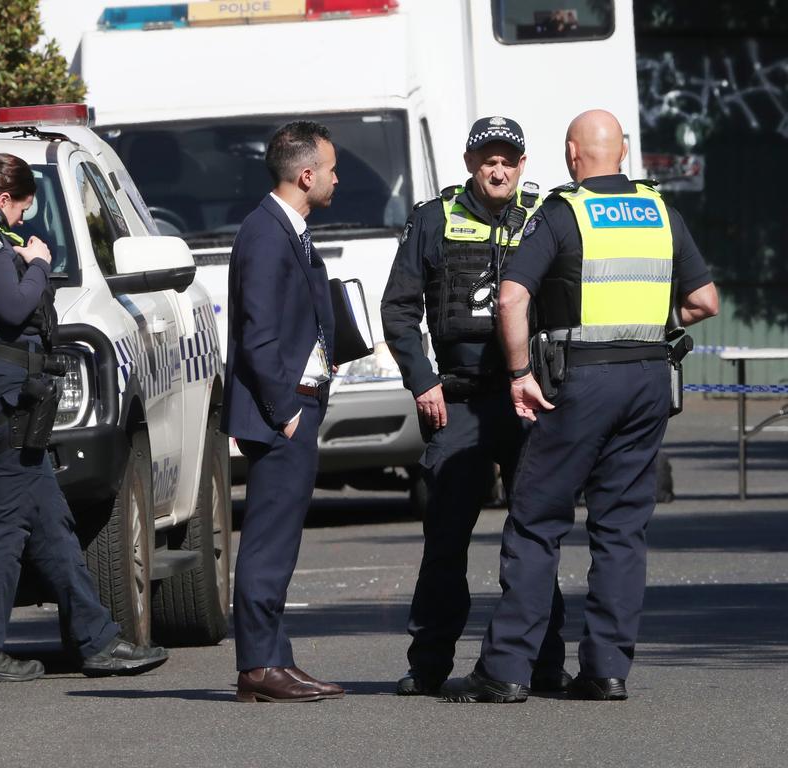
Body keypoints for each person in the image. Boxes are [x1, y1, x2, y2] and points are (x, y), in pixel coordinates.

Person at [442, 110, 719, 703]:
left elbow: (512, 298)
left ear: (572, 154)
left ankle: (507, 670)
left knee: (537, 521)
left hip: (580, 381)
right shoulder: (658, 212)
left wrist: (519, 373)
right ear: (624, 151)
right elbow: (704, 301)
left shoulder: (565, 212)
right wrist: (645, 327)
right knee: (621, 528)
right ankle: (606, 670)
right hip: (648, 379)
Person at [0, 153, 168, 683]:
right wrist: (37, 262)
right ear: (3, 198)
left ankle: (96, 640)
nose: (22, 225)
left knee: (49, 519)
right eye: (22, 211)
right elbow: (12, 309)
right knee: (4, 524)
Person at [381, 116, 568, 697]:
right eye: (488, 158)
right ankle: (429, 663)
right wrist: (422, 381)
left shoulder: (543, 216)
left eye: (509, 160)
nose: (498, 168)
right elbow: (399, 308)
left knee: (534, 536)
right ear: (469, 164)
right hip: (457, 400)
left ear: (522, 166)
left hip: (527, 400)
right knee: (445, 540)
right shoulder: (434, 219)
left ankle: (544, 661)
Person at [221, 122, 344, 703]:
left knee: (282, 540)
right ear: (305, 174)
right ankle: (257, 668)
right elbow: (257, 334)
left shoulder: (287, 228)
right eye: (331, 168)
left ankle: (275, 658)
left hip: (297, 403)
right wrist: (284, 410)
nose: (336, 178)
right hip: (282, 412)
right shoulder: (266, 233)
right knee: (268, 542)